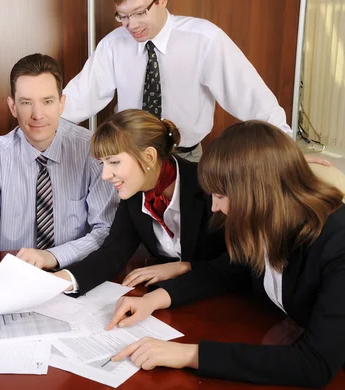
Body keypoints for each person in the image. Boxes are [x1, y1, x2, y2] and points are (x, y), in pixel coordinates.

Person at [106, 121, 345, 388]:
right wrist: (156, 298)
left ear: (257, 193)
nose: (215, 207)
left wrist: (188, 354)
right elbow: (229, 270)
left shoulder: (337, 245)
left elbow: (314, 365)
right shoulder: (269, 221)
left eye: (220, 195)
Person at [61, 0, 328, 166]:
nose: (132, 25)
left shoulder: (205, 39)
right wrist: (39, 122)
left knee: (188, 239)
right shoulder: (113, 45)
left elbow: (251, 96)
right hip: (128, 158)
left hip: (184, 158)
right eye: (123, 15)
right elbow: (80, 97)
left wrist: (289, 151)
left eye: (140, 12)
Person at [0, 53, 118, 290]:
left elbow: (106, 231)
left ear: (62, 103)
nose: (37, 115)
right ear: (12, 106)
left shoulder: (93, 151)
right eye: (27, 102)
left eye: (47, 101)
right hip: (11, 279)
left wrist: (53, 256)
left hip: (76, 275)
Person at [54, 109, 226, 294]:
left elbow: (239, 262)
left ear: (149, 157)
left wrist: (185, 267)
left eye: (114, 162)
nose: (105, 175)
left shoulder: (208, 186)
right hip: (175, 298)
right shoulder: (134, 195)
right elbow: (113, 253)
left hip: (224, 296)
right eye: (102, 163)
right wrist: (57, 281)